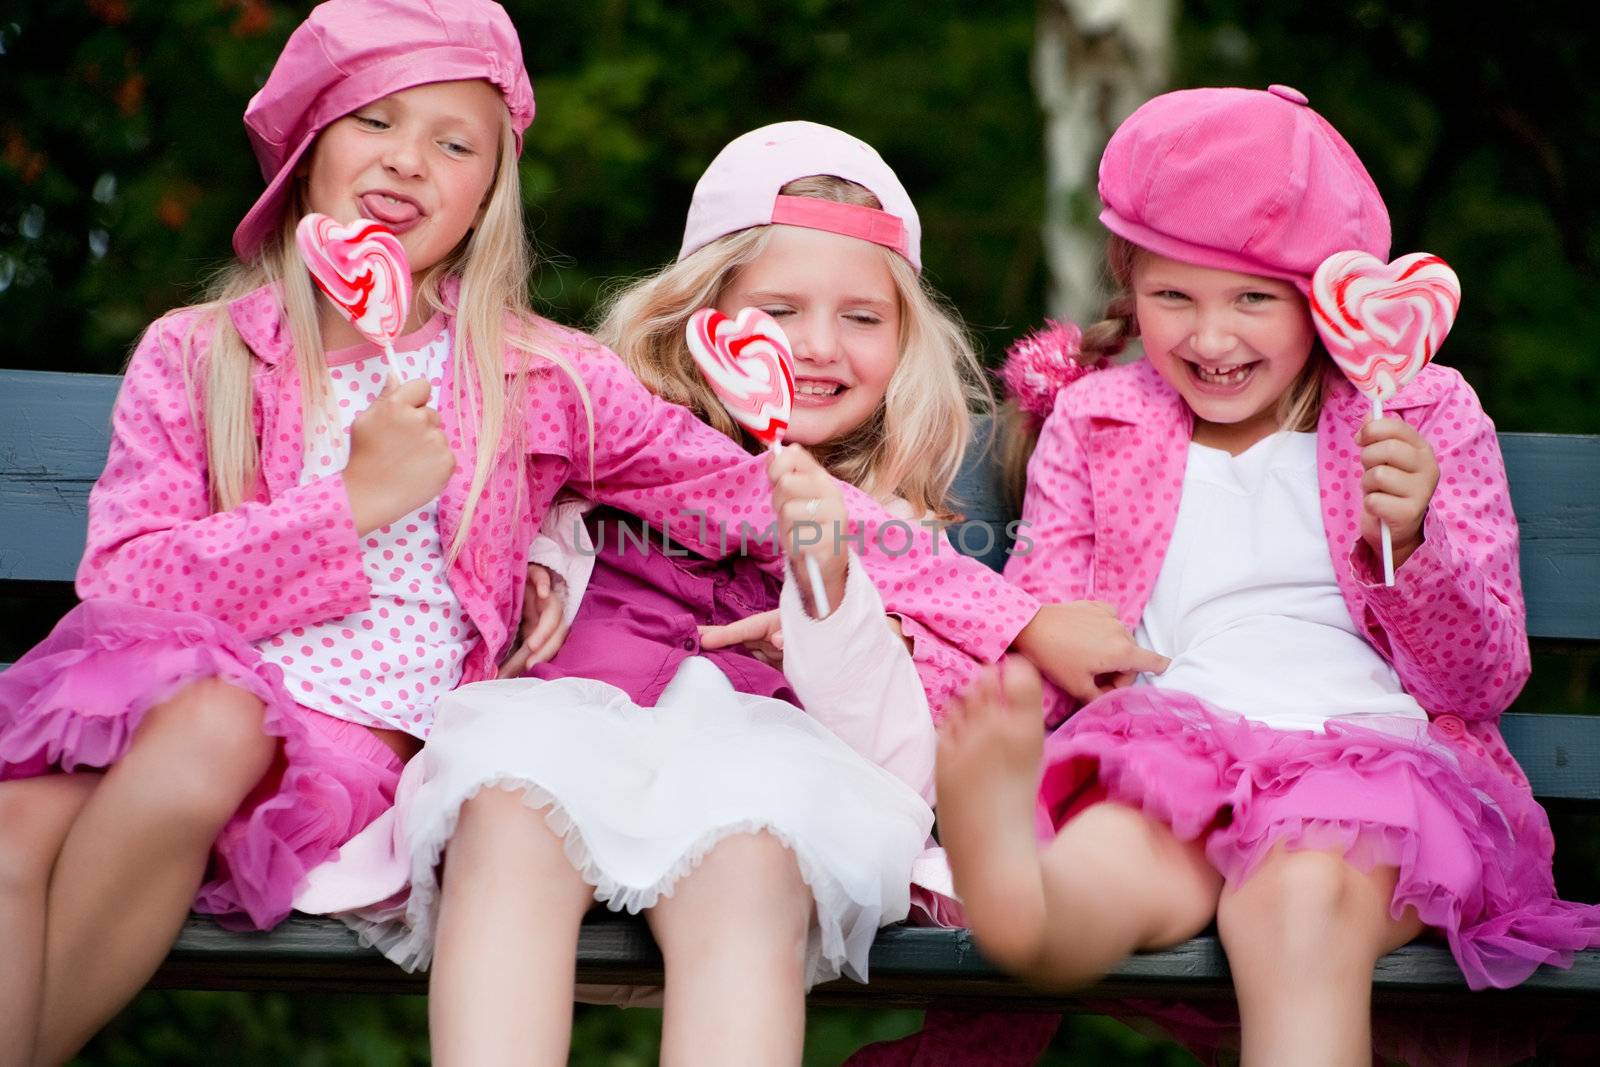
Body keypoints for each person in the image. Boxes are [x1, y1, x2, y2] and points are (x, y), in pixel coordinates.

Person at [0, 6, 1044, 1063]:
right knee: (20, 828)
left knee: (213, 731)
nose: (408, 161)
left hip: (335, 743)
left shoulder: (536, 376)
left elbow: (735, 488)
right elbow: (122, 580)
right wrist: (351, 503)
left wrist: (1026, 622)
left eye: (454, 143)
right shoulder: (200, 354)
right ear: (308, 150)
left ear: (490, 190)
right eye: (373, 123)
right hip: (165, 686)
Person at [313, 120, 1004, 1066]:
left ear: (905, 339)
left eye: (862, 317)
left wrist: (831, 590)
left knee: (753, 855)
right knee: (506, 803)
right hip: (567, 732)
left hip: (763, 771)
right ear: (702, 314)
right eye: (779, 308)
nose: (817, 346)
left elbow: (898, 768)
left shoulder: (893, 526)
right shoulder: (599, 447)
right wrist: (543, 566)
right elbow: (477, 567)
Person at [935, 85, 1600, 1065]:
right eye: (1173, 298)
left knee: (1297, 903)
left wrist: (1413, 539)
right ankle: (1023, 901)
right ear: (1128, 279)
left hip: (1363, 762)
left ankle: (1031, 897)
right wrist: (1036, 642)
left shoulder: (1420, 413)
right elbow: (1047, 603)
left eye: (1252, 299)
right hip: (1170, 743)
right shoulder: (1097, 421)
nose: (1210, 339)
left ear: (1327, 294)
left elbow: (1481, 676)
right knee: (1107, 862)